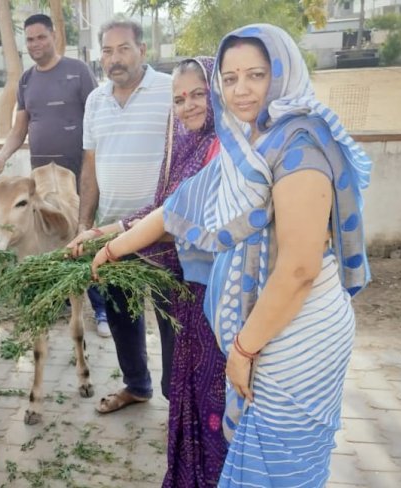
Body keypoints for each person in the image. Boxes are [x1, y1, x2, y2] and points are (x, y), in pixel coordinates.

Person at [91, 24, 372, 487]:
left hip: (297, 331)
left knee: (281, 465)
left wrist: (242, 349)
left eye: (256, 75)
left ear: (281, 74)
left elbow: (300, 269)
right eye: (231, 77)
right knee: (258, 464)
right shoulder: (250, 144)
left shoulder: (298, 144)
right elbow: (174, 208)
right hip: (269, 326)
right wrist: (113, 247)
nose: (241, 90)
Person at [70, 56, 227, 486]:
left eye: (199, 94)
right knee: (187, 390)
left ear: (217, 93)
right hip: (184, 287)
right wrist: (103, 231)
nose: (189, 106)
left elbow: (181, 222)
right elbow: (163, 207)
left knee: (209, 395)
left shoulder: (224, 148)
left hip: (215, 295)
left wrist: (114, 247)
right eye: (179, 99)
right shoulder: (183, 143)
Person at [71, 19, 175, 414]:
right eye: (108, 51)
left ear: (142, 50)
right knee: (120, 315)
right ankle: (137, 385)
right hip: (112, 234)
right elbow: (90, 167)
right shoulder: (96, 100)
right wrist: (84, 226)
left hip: (164, 234)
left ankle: (176, 398)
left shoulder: (170, 91)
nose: (115, 59)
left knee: (171, 320)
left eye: (124, 48)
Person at [0, 14, 110, 337]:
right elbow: (19, 128)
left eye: (41, 37)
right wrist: (0, 157)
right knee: (51, 238)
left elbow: (97, 117)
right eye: (29, 40)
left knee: (87, 237)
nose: (35, 44)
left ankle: (101, 307)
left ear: (54, 36)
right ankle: (60, 299)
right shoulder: (26, 81)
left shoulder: (77, 71)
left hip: (81, 175)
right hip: (41, 178)